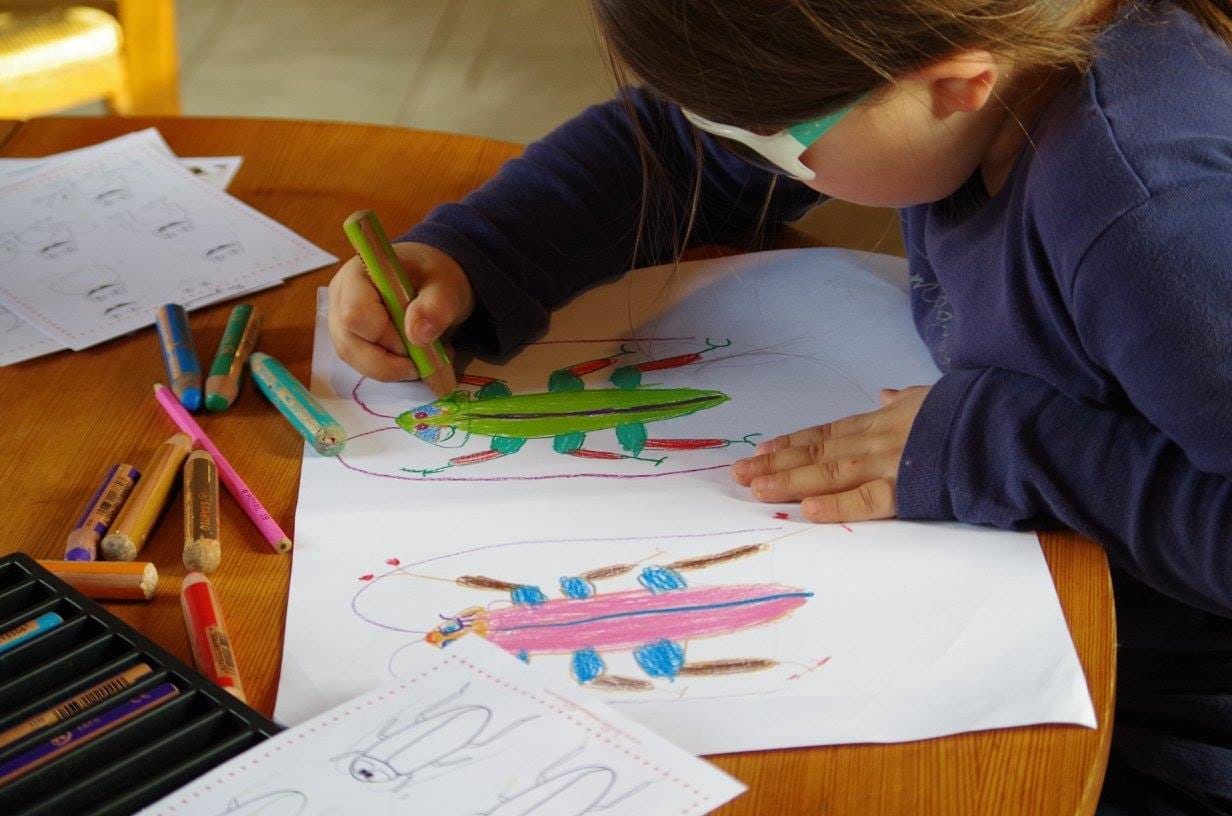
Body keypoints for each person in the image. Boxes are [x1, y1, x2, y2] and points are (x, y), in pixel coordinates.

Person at [329, 1, 1232, 810]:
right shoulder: (947, 56)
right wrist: (481, 255)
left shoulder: (1154, 226)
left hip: (1158, 723)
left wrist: (1003, 445)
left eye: (770, 137)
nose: (734, 143)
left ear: (956, 84)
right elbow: (683, 149)